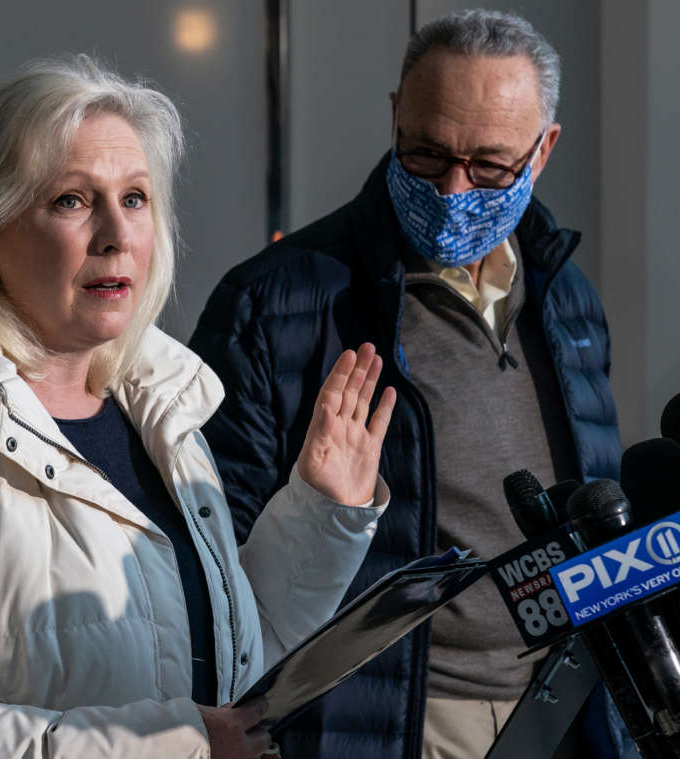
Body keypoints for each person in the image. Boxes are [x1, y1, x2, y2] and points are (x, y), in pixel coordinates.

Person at [0, 56, 397, 759]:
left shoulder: (156, 412)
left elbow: (225, 674)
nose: (116, 234)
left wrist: (321, 513)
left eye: (135, 198)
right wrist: (174, 747)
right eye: (72, 200)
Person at [189, 10, 622, 759]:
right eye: (425, 154)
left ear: (543, 149)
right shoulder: (278, 302)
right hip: (397, 722)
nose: (454, 189)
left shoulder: (568, 295)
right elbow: (211, 560)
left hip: (567, 705)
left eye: (489, 165)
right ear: (395, 115)